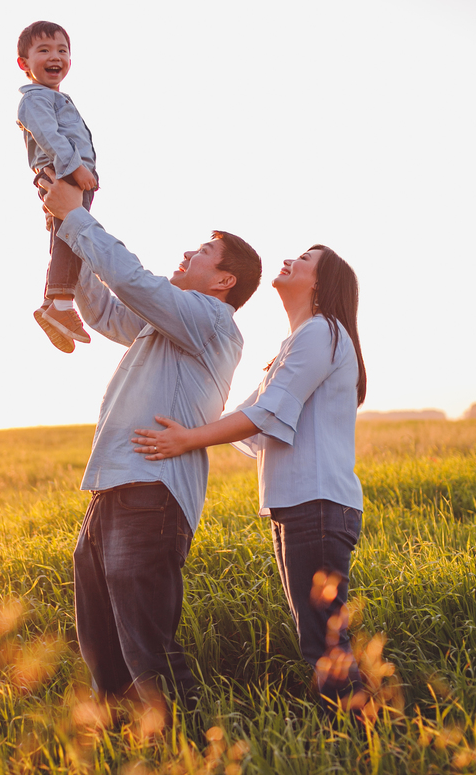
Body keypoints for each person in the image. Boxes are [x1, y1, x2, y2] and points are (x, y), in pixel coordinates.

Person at [38, 171, 262, 723]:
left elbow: (133, 282)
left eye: (205, 251)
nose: (189, 251)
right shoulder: (163, 324)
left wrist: (79, 217)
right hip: (113, 490)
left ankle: (195, 748)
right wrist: (61, 222)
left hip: (152, 495)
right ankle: (129, 748)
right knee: (104, 649)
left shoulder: (211, 322)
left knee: (147, 651)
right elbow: (100, 305)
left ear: (224, 281)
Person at [130, 244, 368, 711]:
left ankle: (364, 741)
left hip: (317, 508)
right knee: (319, 639)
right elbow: (247, 413)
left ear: (320, 284)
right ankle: (355, 734)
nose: (290, 260)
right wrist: (188, 406)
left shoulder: (321, 332)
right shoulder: (301, 341)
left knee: (323, 645)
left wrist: (188, 439)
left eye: (304, 260)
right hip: (300, 509)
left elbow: (264, 414)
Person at [16, 20, 98, 353]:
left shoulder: (56, 98)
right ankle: (61, 304)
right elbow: (49, 137)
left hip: (69, 175)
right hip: (64, 173)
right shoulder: (35, 99)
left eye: (62, 51)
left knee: (68, 238)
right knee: (72, 237)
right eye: (44, 50)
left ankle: (54, 303)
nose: (55, 57)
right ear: (24, 63)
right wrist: (75, 168)